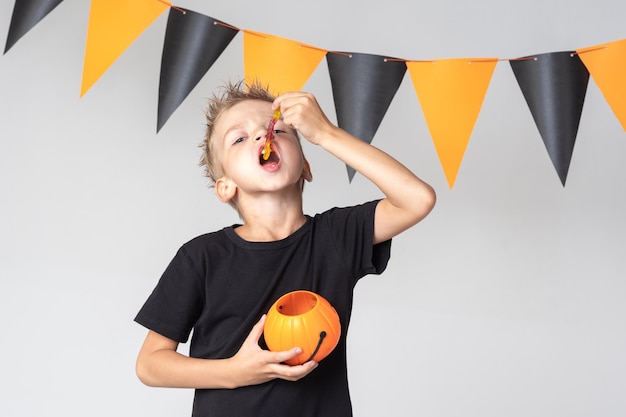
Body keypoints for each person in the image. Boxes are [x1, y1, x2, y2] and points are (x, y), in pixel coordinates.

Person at [134, 80, 436, 417]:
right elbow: (150, 364)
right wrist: (235, 372)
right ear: (225, 186)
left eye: (278, 130)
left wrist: (325, 133)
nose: (264, 136)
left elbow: (417, 199)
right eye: (239, 138)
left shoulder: (335, 237)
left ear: (306, 168)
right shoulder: (201, 257)